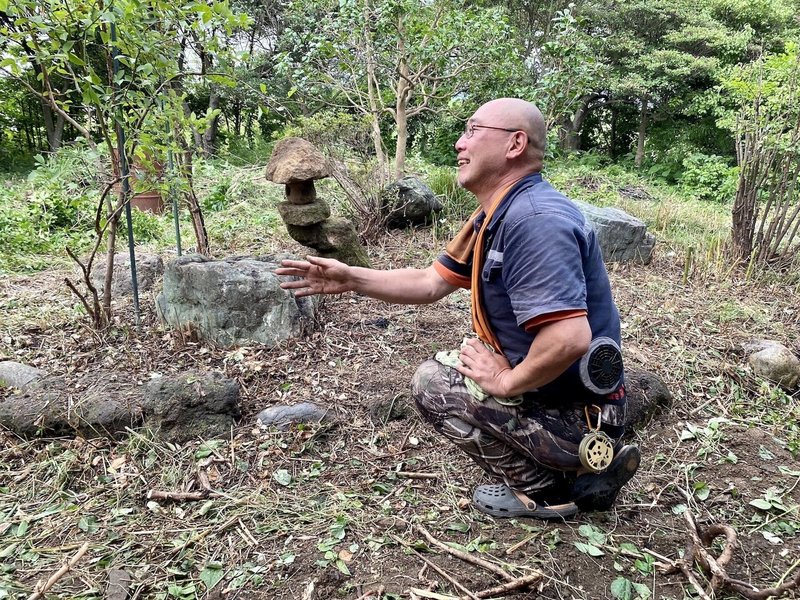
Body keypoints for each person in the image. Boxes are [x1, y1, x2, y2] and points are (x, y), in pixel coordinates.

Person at [275, 98, 640, 520]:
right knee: (458, 362)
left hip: (581, 414)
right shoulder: (497, 213)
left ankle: (549, 488)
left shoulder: (534, 221)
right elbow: (431, 283)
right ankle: (572, 468)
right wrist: (352, 277)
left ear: (515, 144)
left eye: (472, 130)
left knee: (434, 383)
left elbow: (568, 337)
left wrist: (504, 381)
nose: (459, 143)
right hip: (558, 393)